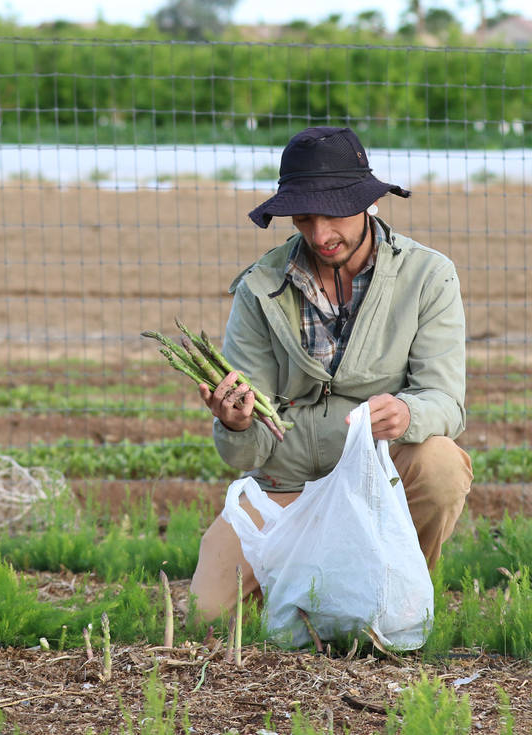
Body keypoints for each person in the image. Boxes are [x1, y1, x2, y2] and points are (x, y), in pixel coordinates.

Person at [188, 126, 473, 623]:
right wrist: (235, 425)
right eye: (303, 218)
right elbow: (245, 453)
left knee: (441, 464)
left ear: (366, 202)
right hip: (285, 484)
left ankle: (401, 605)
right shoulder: (260, 288)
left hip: (378, 477)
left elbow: (447, 402)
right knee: (205, 620)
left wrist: (406, 413)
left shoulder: (428, 276)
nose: (320, 235)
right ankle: (300, 601)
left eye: (333, 215)